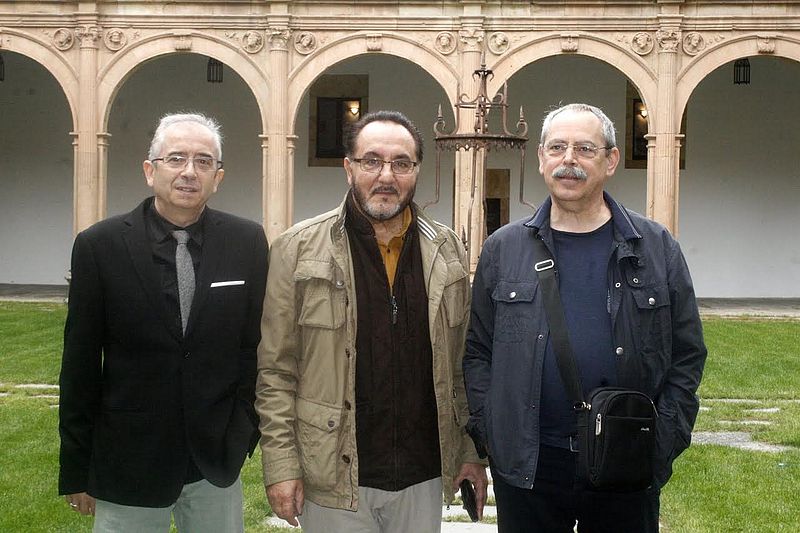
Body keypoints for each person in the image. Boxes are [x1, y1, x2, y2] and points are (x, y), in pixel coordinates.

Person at [463, 103, 707, 532]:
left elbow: (687, 356)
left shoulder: (655, 246)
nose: (569, 160)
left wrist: (662, 440)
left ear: (610, 160)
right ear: (541, 158)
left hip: (626, 459)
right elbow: (478, 353)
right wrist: (493, 432)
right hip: (530, 464)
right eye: (557, 147)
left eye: (585, 149)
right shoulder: (503, 248)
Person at [256, 110, 488, 532]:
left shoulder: (446, 250)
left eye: (401, 163)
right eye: (372, 161)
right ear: (349, 168)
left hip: (421, 473)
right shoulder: (297, 249)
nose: (386, 176)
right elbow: (276, 370)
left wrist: (469, 451)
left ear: (416, 171)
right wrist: (282, 464)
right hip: (333, 476)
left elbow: (460, 366)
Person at [58, 113, 268, 532]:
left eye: (203, 161)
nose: (190, 171)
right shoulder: (99, 246)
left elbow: (254, 346)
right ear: (150, 170)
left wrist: (243, 430)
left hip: (213, 462)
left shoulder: (246, 242)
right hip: (127, 460)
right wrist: (77, 467)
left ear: (217, 177)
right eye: (176, 158)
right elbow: (80, 364)